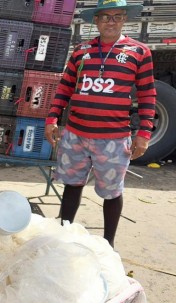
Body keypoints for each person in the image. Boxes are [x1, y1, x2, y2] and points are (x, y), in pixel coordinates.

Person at [44, 0, 156, 247]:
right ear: (96, 20)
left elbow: (148, 94)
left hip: (114, 138)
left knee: (112, 192)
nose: (111, 22)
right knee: (72, 186)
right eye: (106, 17)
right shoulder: (81, 51)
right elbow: (65, 88)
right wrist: (52, 118)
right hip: (75, 134)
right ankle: (63, 235)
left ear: (125, 19)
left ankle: (109, 245)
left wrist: (144, 133)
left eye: (117, 16)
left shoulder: (139, 52)